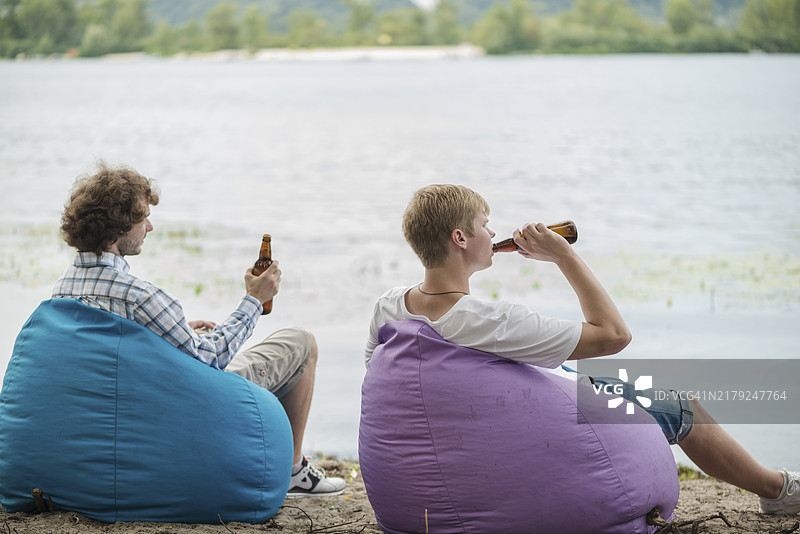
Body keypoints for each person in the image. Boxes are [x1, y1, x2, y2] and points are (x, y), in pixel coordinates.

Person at [365, 183, 799, 515]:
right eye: (485, 224)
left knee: (578, 377)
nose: (494, 232)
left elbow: (380, 379)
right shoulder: (490, 321)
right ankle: (776, 489)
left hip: (440, 460)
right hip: (521, 427)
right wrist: (564, 257)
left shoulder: (389, 306)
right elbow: (614, 334)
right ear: (460, 238)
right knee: (681, 406)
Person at [53, 162, 345, 498]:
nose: (149, 226)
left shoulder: (62, 289)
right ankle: (293, 470)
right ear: (119, 226)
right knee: (302, 343)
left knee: (203, 341)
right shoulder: (139, 295)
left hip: (120, 415)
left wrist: (169, 336)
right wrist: (253, 300)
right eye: (143, 216)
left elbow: (112, 348)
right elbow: (211, 359)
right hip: (179, 409)